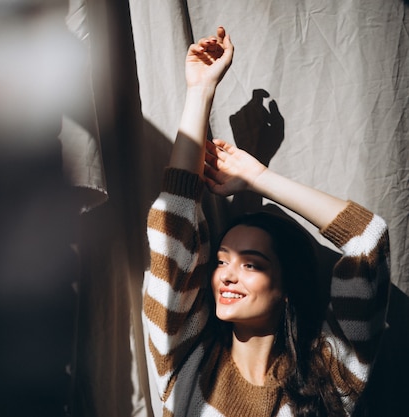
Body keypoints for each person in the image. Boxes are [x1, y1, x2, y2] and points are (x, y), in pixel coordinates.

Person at [143, 27, 390, 417]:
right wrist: (200, 91)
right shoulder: (185, 357)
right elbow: (172, 226)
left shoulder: (328, 377)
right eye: (222, 260)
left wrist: (260, 179)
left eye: (251, 263)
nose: (226, 274)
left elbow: (368, 240)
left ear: (288, 285)